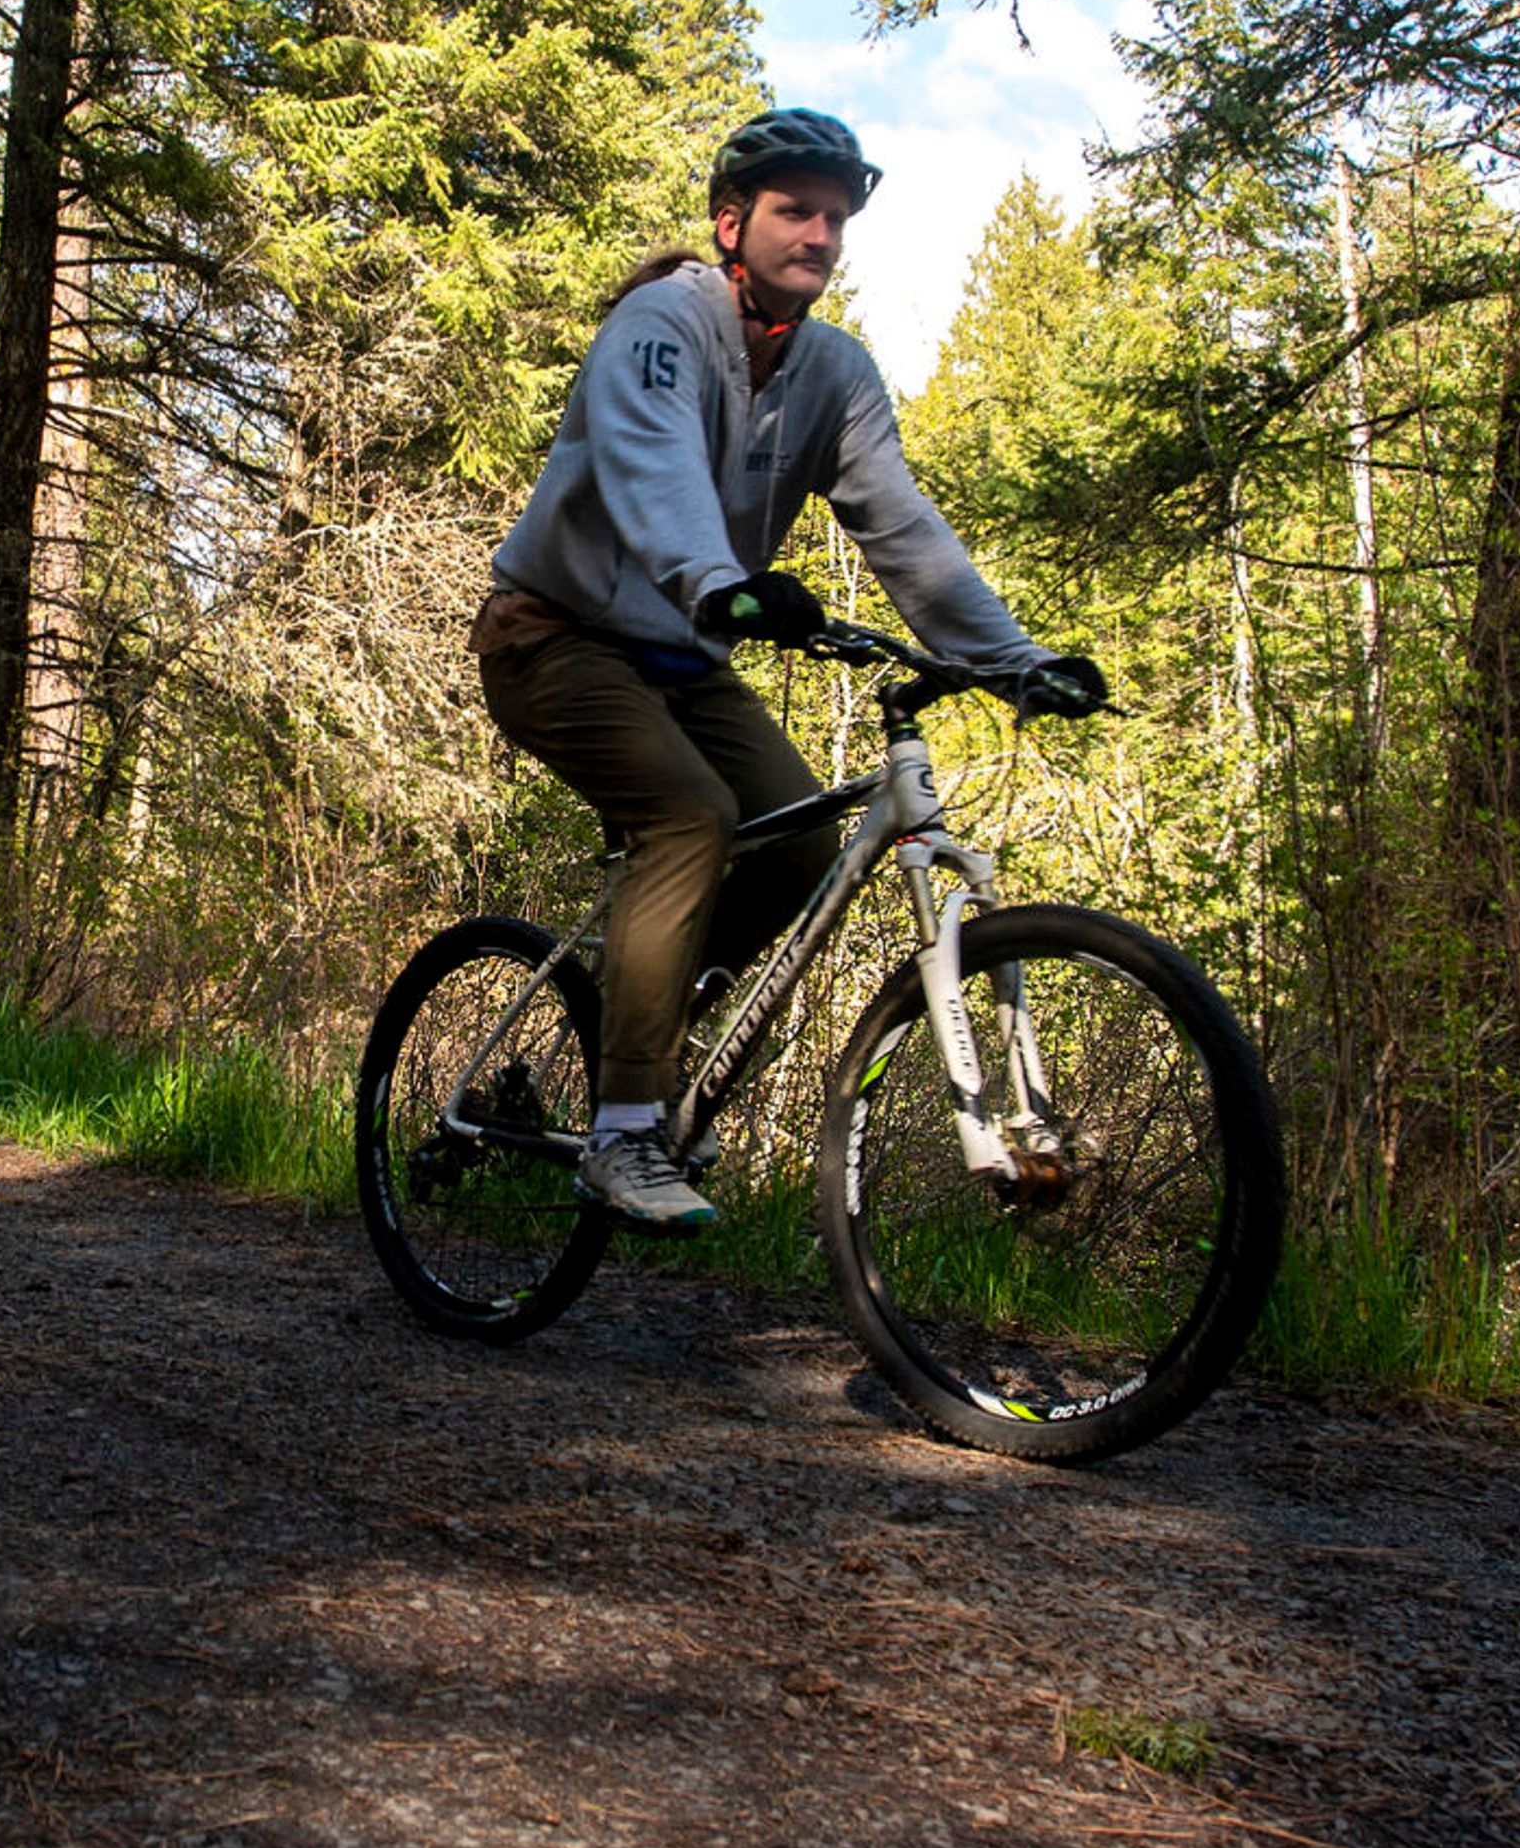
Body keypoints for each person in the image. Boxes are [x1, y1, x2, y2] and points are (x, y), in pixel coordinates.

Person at [473, 106, 1107, 1233]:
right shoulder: (661, 323)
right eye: (792, 210)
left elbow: (902, 528)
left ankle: (645, 1024)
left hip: (679, 654)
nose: (818, 231)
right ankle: (625, 1129)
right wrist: (718, 580)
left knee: (801, 841)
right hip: (554, 634)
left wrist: (1012, 662)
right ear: (733, 223)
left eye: (835, 215)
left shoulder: (836, 375)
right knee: (690, 816)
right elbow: (650, 460)